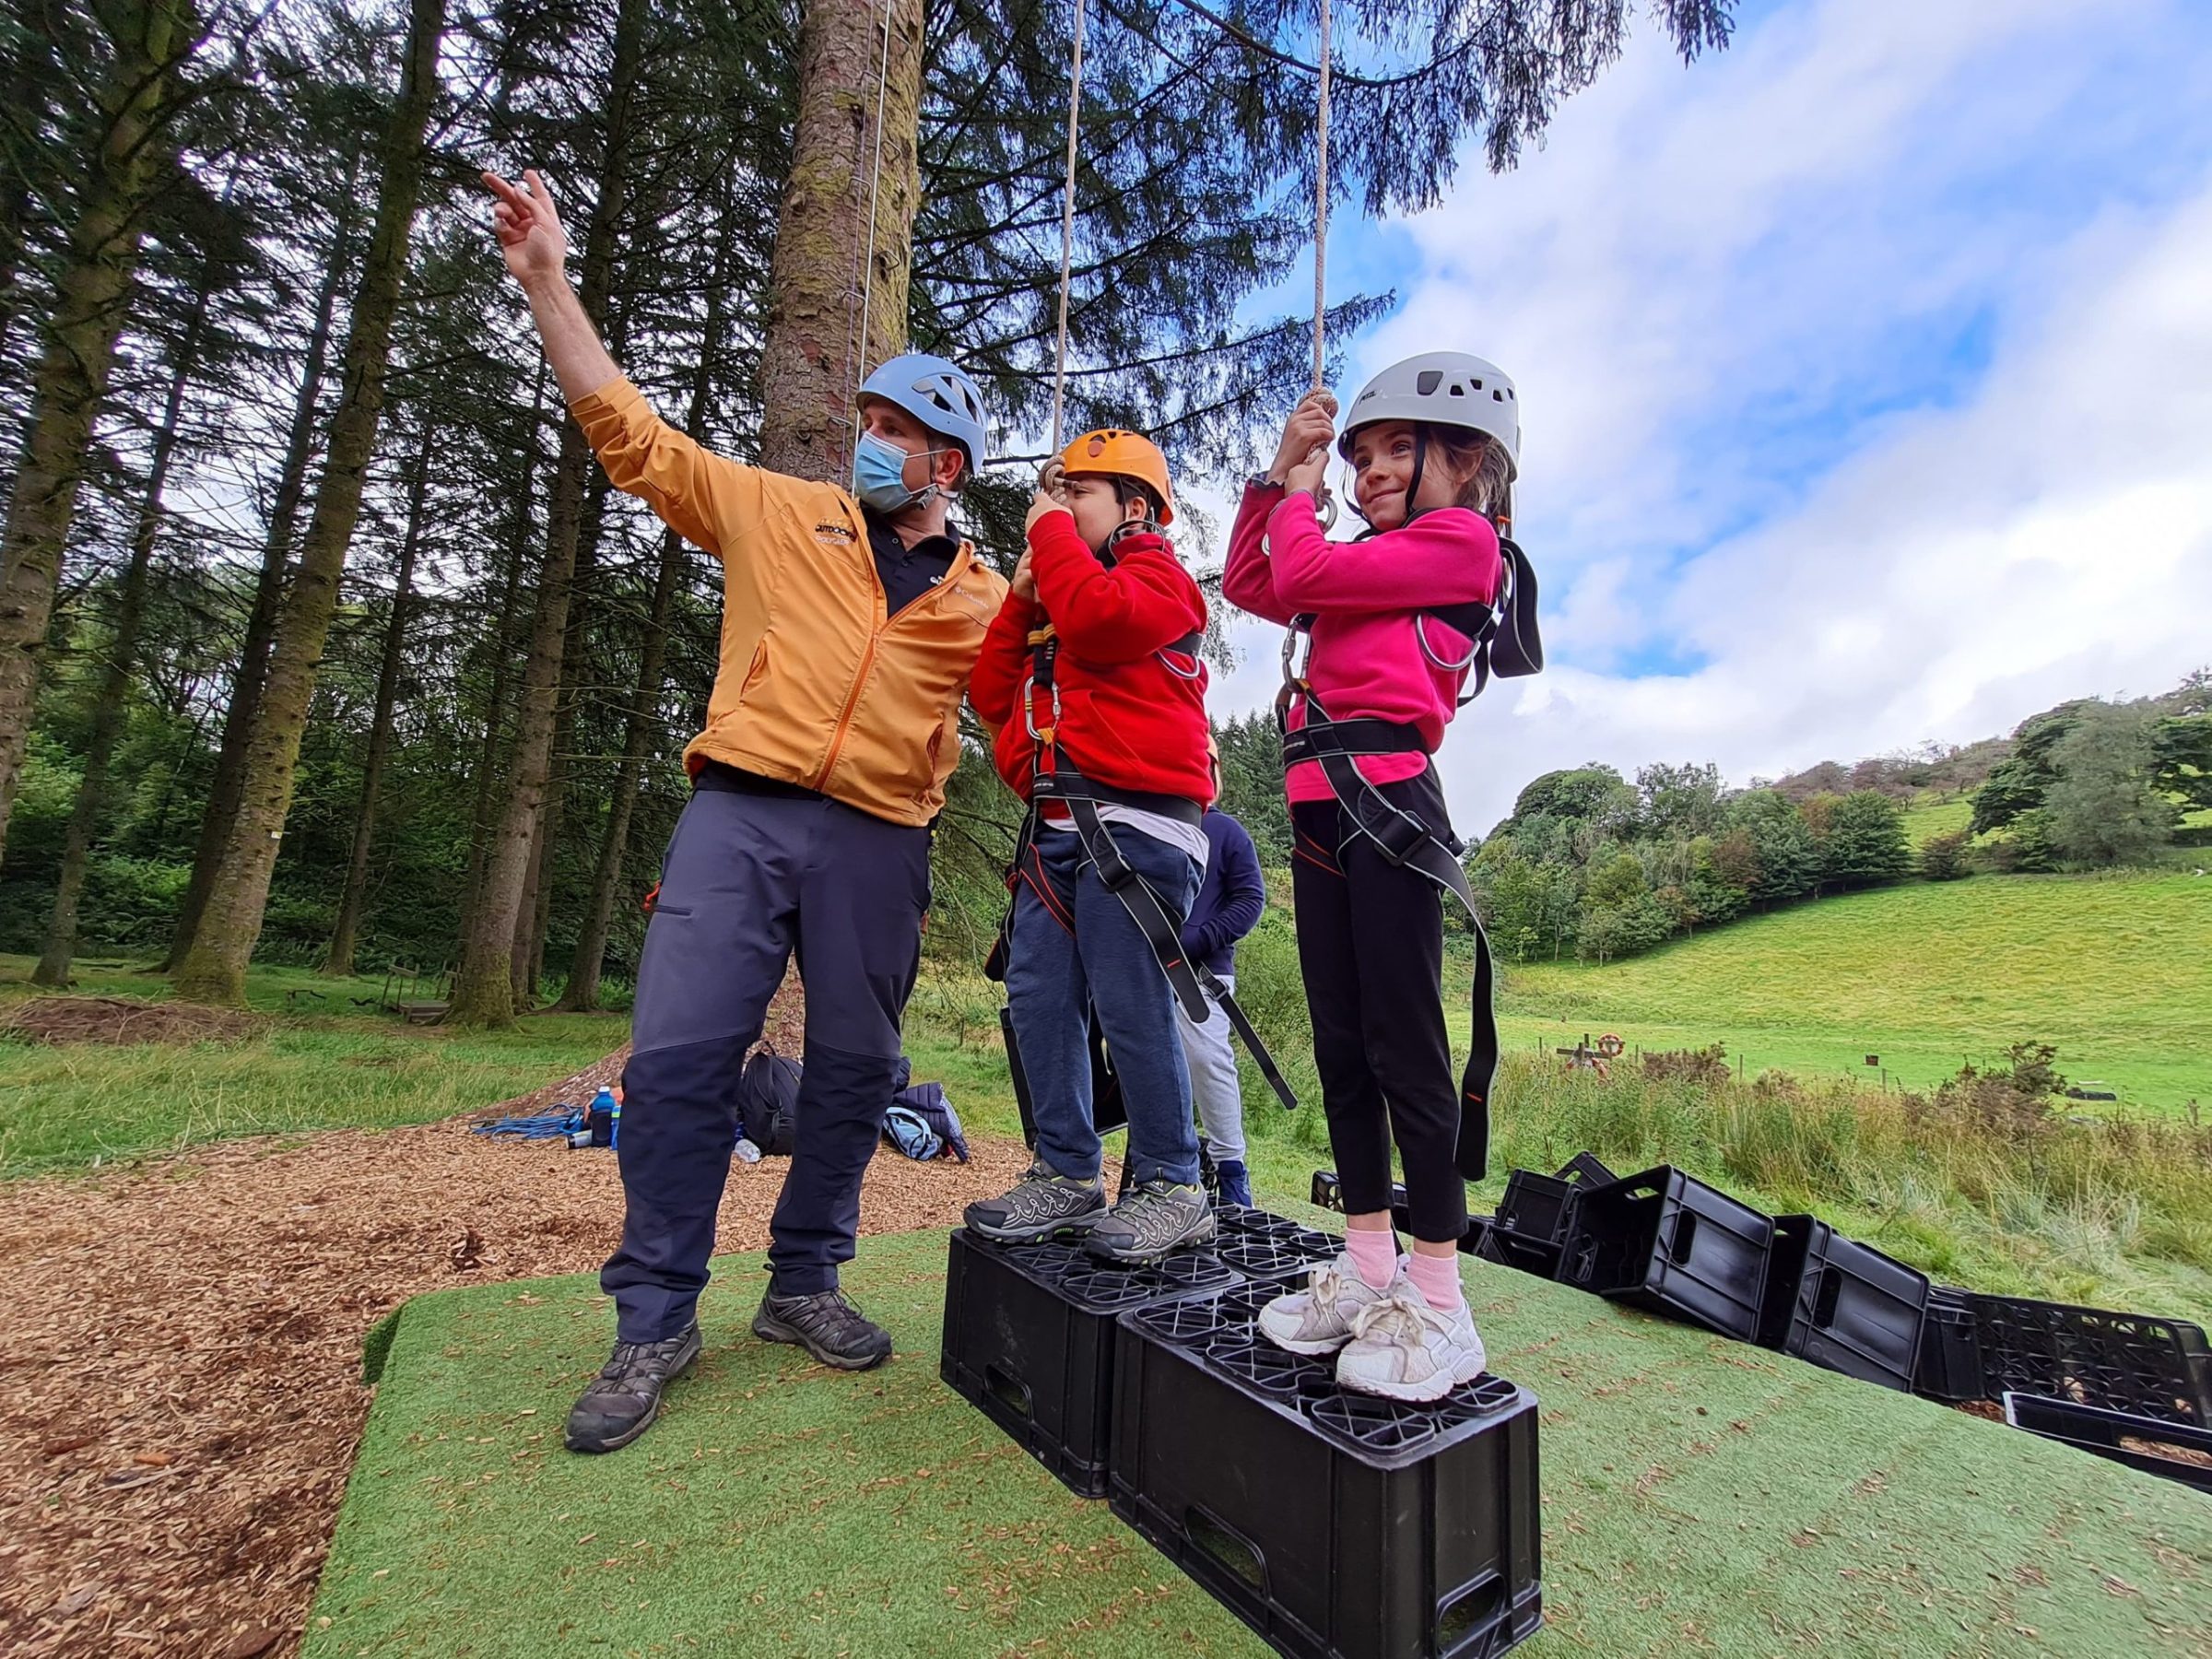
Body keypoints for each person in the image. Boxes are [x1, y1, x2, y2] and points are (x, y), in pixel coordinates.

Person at [483, 169, 1009, 1453]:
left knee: (857, 1073)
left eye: (895, 428)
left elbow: (1070, 689)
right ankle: (654, 1315)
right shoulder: (785, 516)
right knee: (673, 1061)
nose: (867, 441)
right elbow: (634, 438)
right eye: (864, 418)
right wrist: (550, 278)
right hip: (742, 810)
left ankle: (804, 1285)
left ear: (949, 463)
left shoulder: (992, 600)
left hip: (884, 840)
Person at [1222, 352, 1517, 1402]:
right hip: (1320, 803)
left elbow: (1298, 574)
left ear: (1467, 461)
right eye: (1363, 453)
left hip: (1389, 803)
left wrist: (1301, 501)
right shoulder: (1369, 557)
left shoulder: (1461, 542)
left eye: (1401, 448)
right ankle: (1369, 1267)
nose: (1374, 469)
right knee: (1344, 1045)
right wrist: (1279, 472)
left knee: (1405, 1050)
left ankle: (1440, 1303)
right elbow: (1257, 578)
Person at [962, 429, 1217, 1263]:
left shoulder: (1160, 578)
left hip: (1137, 829)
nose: (1058, 507)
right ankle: (1067, 1170)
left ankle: (1174, 1180)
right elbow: (992, 694)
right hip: (1056, 829)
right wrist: (1023, 594)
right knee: (1037, 999)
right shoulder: (1055, 598)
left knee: (1129, 1002)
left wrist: (1048, 542)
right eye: (1055, 493)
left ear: (1134, 509)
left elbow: (1106, 625)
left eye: (1078, 494)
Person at [1176, 769, 1266, 1206]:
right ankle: (1162, 1168)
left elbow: (1250, 899)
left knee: (1208, 1060)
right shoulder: (1148, 825)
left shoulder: (1227, 831)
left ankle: (1232, 1170)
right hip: (1140, 965)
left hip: (1202, 972)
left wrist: (1202, 937)